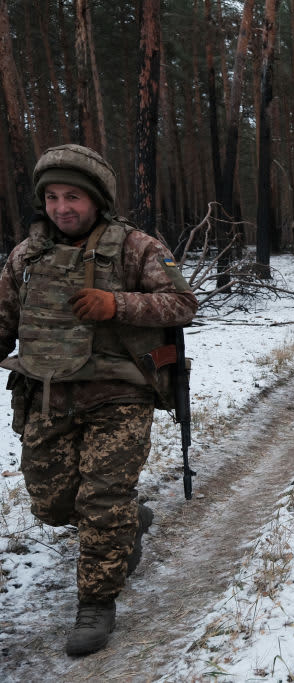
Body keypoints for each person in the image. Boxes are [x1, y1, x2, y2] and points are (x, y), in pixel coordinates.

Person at [0, 144, 198, 656]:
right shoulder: (26, 255)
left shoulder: (137, 248)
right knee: (52, 505)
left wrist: (118, 304)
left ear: (96, 200)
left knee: (102, 503)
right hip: (46, 393)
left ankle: (96, 603)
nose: (62, 207)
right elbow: (5, 321)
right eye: (52, 197)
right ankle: (131, 523)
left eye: (73, 197)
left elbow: (183, 303)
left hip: (119, 394)